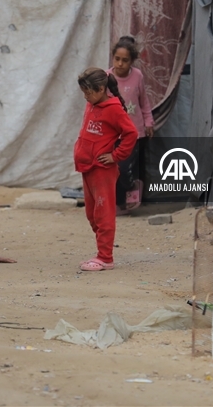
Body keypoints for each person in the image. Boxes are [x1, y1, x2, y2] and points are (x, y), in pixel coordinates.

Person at [74, 67, 138, 272]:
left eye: (88, 92)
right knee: (92, 215)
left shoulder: (113, 109)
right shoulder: (91, 104)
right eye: (83, 92)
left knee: (104, 214)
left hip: (102, 169)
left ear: (101, 89)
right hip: (87, 167)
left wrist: (115, 156)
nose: (85, 96)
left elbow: (131, 133)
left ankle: (105, 257)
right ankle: (102, 251)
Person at [108, 36, 154, 213]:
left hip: (134, 132)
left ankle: (133, 186)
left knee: (124, 167)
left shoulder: (137, 76)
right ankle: (119, 204)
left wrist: (149, 122)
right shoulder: (105, 77)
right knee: (114, 169)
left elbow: (144, 102)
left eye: (125, 60)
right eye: (117, 59)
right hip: (112, 133)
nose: (120, 64)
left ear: (132, 61)